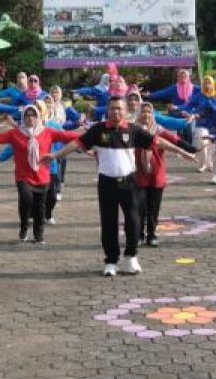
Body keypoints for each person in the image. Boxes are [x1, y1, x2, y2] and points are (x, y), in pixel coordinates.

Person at [67, 96, 191, 276]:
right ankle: (111, 261)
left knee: (134, 221)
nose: (116, 111)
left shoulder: (133, 130)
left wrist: (182, 151)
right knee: (108, 223)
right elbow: (77, 143)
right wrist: (55, 156)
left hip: (130, 183)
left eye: (119, 108)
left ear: (125, 111)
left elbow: (157, 142)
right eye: (112, 108)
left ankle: (131, 257)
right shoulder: (98, 130)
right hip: (106, 183)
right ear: (107, 110)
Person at [0, 104, 83, 245]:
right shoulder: (15, 133)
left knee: (40, 207)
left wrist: (90, 136)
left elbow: (67, 136)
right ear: (23, 117)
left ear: (38, 117)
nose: (30, 118)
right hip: (23, 176)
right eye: (27, 115)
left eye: (33, 115)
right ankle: (24, 227)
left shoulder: (48, 132)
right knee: (26, 200)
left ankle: (39, 235)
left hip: (42, 176)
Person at [133, 102, 197, 247]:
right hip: (139, 174)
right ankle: (139, 234)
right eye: (143, 111)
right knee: (139, 207)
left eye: (149, 112)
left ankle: (152, 235)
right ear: (139, 114)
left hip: (156, 174)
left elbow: (176, 141)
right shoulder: (133, 130)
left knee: (153, 208)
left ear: (153, 115)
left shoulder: (160, 131)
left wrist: (193, 149)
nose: (146, 115)